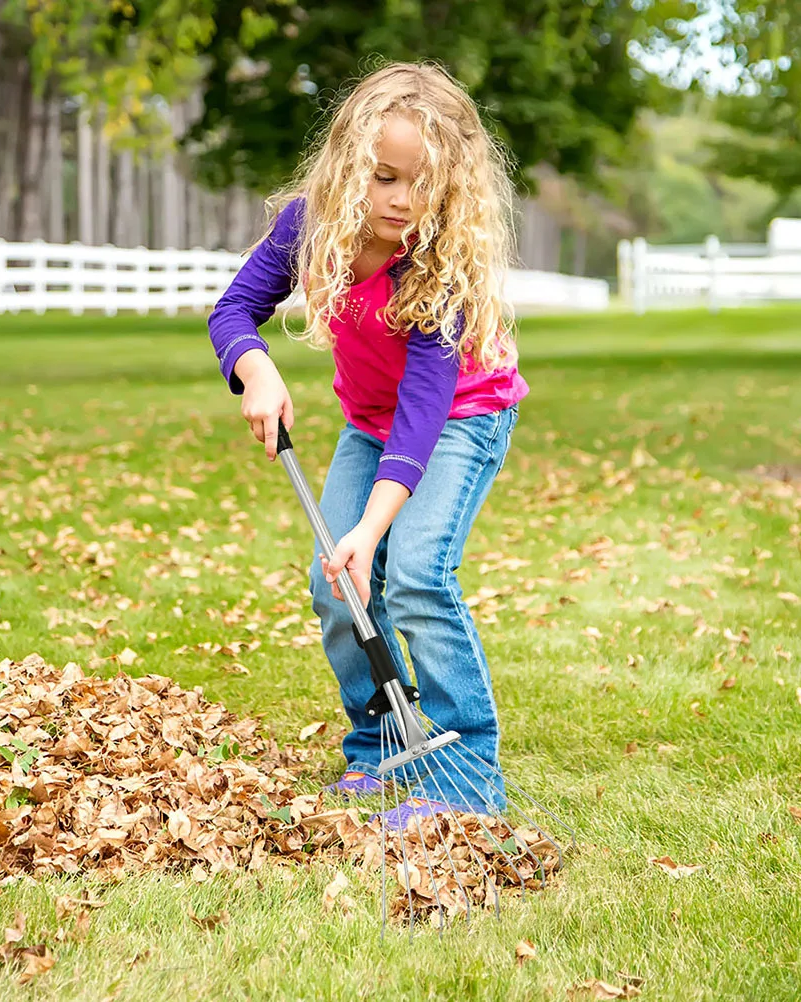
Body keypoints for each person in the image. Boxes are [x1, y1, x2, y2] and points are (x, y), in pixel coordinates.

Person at [207, 62, 528, 826]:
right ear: (352, 165)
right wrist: (255, 370)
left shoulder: (438, 261)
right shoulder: (311, 226)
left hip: (462, 417)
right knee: (335, 585)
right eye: (384, 177)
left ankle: (467, 776)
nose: (401, 200)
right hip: (370, 421)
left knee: (416, 574)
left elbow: (424, 411)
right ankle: (384, 744)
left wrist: (371, 529)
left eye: (422, 183)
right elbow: (234, 308)